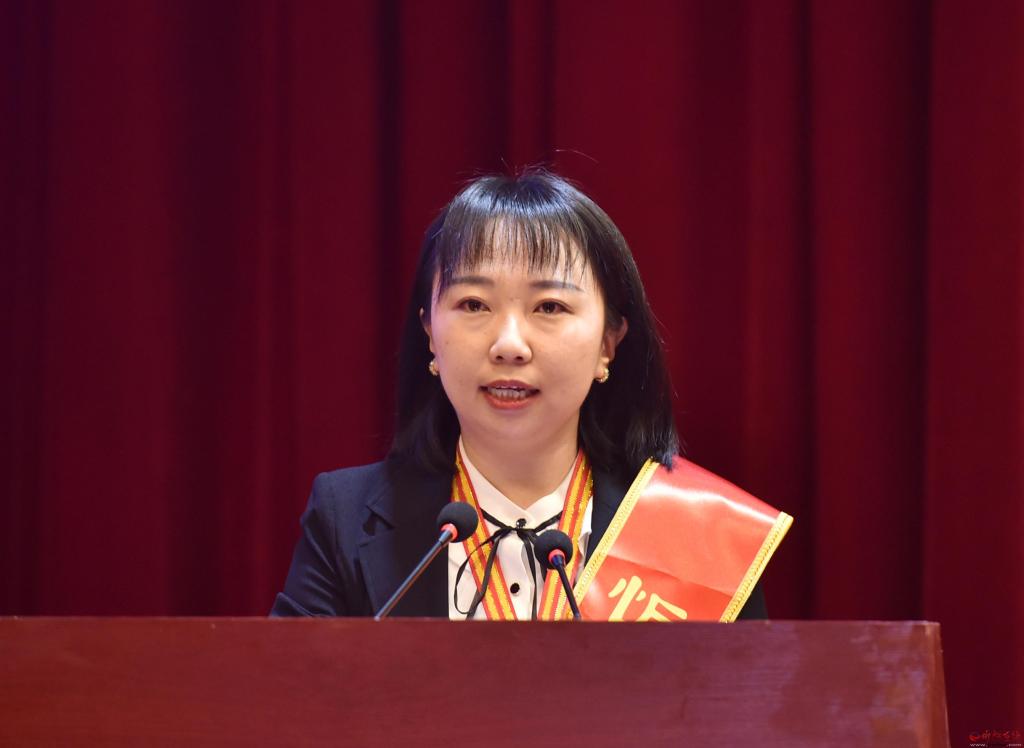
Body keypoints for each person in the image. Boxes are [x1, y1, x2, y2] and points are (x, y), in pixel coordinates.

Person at [272, 170, 791, 621]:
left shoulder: (700, 534)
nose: (509, 345)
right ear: (429, 333)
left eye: (549, 307)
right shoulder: (344, 518)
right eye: (474, 304)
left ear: (608, 344)